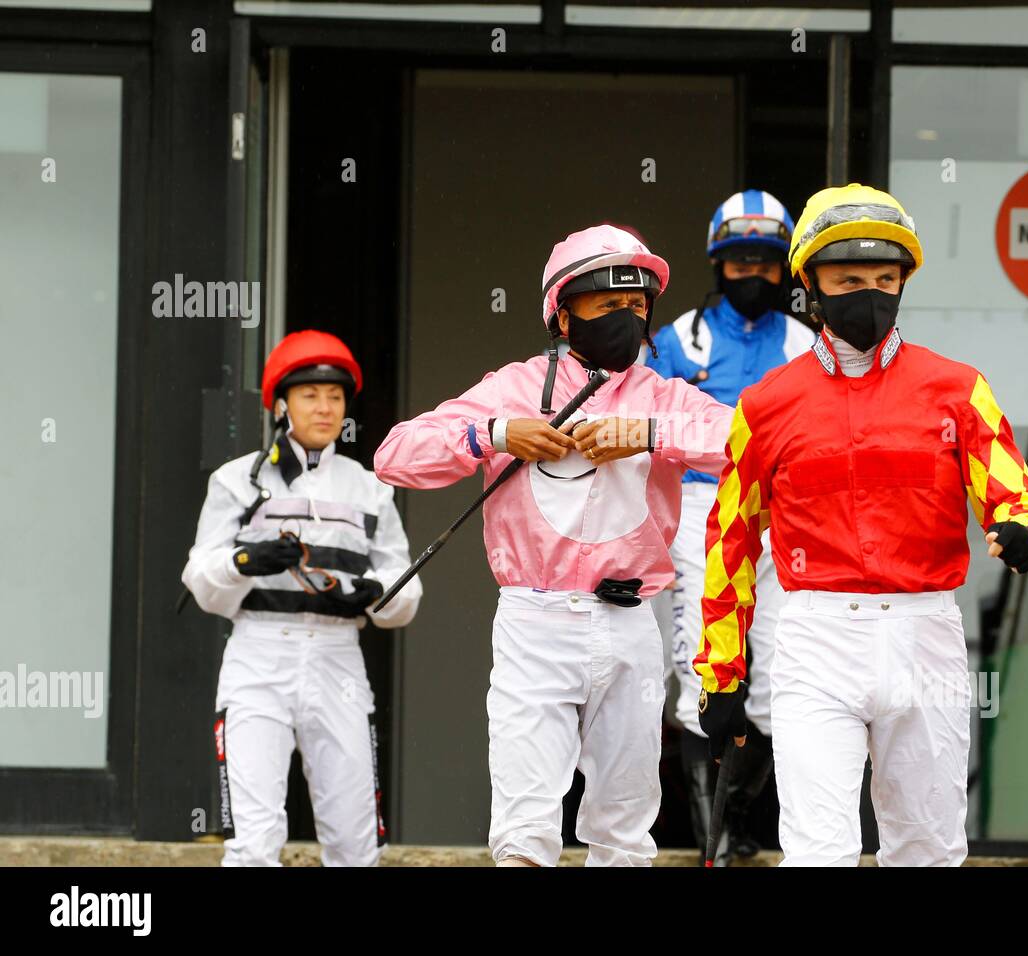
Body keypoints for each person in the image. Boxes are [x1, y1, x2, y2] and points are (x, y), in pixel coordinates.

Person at [693, 185, 1028, 866]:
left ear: (904, 281)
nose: (870, 292)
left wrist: (1023, 529)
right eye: (849, 279)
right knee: (819, 851)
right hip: (814, 635)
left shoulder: (958, 387)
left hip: (926, 633)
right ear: (810, 284)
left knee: (928, 847)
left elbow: (1015, 493)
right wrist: (722, 670)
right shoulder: (766, 403)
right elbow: (730, 538)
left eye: (885, 279)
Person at [373, 225, 733, 866]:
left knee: (624, 830)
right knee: (524, 828)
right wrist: (495, 434)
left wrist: (648, 434)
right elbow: (394, 456)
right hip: (534, 621)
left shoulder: (665, 396)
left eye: (637, 306)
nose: (628, 318)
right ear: (564, 314)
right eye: (608, 305)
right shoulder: (511, 387)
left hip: (632, 623)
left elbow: (749, 444)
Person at [182, 329, 422, 866]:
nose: (324, 407)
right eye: (310, 395)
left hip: (338, 657)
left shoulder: (370, 486)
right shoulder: (235, 481)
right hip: (257, 656)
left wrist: (371, 594)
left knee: (356, 842)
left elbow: (404, 584)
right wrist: (244, 562)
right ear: (282, 403)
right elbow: (199, 576)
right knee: (253, 839)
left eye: (335, 397)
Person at [647, 189, 814, 864]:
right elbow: (648, 437)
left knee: (777, 677)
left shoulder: (808, 343)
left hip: (781, 517)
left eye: (768, 263)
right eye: (740, 261)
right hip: (697, 512)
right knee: (699, 668)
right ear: (718, 264)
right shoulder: (676, 339)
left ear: (785, 269)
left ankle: (741, 827)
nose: (754, 274)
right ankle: (707, 838)